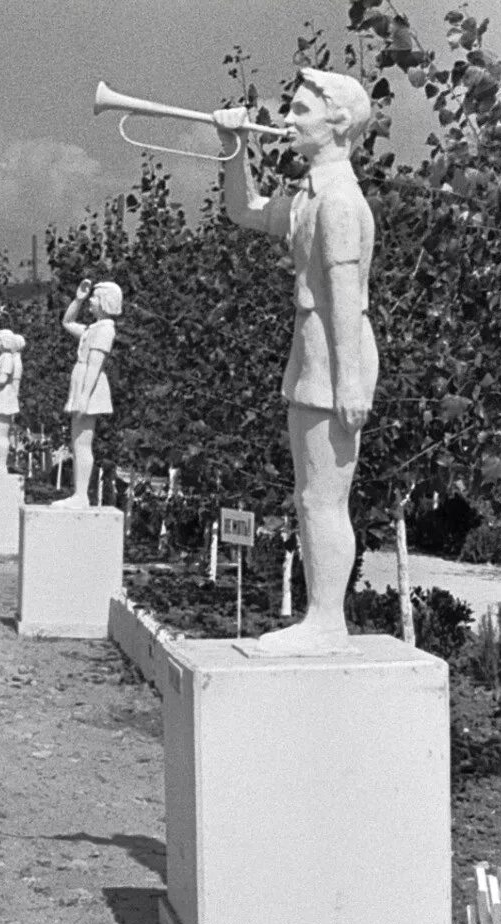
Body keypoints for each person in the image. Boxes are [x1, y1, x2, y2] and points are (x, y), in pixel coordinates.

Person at [214, 68, 378, 656]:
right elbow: (246, 210)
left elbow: (346, 297)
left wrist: (351, 380)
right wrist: (233, 149)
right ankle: (321, 616)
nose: (287, 119)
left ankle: (326, 621)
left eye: (301, 110)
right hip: (316, 348)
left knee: (322, 497)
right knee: (312, 494)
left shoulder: (336, 201)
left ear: (336, 123)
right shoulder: (312, 195)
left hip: (335, 352)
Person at [53, 279, 122, 508]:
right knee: (78, 442)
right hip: (82, 381)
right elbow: (67, 321)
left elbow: (95, 365)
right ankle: (79, 493)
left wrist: (84, 398)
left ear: (104, 302)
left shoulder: (106, 330)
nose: (91, 301)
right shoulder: (94, 328)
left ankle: (81, 496)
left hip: (89, 385)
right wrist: (78, 299)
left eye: (93, 297)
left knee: (82, 443)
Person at [0, 330, 25, 474]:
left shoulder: (7, 358)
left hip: (5, 397)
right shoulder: (4, 357)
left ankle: (2, 466)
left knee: (2, 433)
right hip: (1, 396)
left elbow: (2, 379)